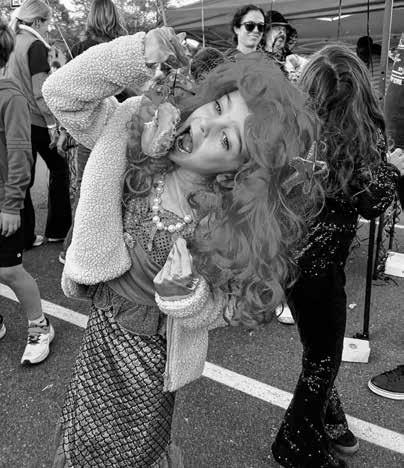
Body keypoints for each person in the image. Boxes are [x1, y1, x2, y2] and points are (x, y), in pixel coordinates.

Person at [43, 27, 318, 466]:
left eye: (227, 140)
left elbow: (232, 307)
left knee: (131, 455)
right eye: (218, 106)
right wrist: (138, 52)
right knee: (81, 443)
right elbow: (61, 93)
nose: (206, 125)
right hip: (99, 343)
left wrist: (187, 296)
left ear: (242, 169)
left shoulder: (222, 222)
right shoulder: (134, 135)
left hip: (152, 366)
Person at [272, 45, 399, 468]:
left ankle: (330, 416)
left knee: (317, 349)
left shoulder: (289, 129)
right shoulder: (357, 142)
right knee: (323, 356)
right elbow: (373, 202)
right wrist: (394, 168)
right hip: (321, 271)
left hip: (287, 261)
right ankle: (296, 445)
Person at [58, 0, 130, 265]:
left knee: (86, 190)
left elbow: (67, 93)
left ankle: (72, 249)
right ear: (115, 16)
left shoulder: (80, 49)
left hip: (87, 129)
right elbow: (131, 89)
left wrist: (64, 130)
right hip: (117, 127)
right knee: (117, 189)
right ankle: (93, 248)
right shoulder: (121, 48)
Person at [0, 20, 54, 364]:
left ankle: (40, 325)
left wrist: (10, 206)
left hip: (3, 203)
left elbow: (21, 156)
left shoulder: (11, 97)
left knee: (9, 271)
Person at [5, 0, 72, 250]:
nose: (48, 28)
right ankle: (58, 229)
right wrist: (55, 124)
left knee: (22, 177)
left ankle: (24, 237)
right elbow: (41, 93)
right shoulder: (35, 46)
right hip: (36, 120)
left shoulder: (11, 40)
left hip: (14, 118)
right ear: (37, 21)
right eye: (46, 23)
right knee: (59, 169)